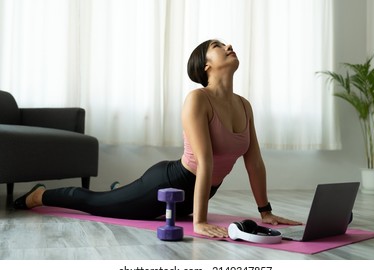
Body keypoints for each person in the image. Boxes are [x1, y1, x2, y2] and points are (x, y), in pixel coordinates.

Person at [13, 39, 301, 238]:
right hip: (167, 184)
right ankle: (40, 195)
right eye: (217, 46)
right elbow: (205, 162)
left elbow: (255, 164)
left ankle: (122, 190)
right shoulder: (197, 100)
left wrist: (266, 212)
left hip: (197, 192)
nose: (229, 46)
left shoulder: (244, 105)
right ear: (205, 66)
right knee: (96, 203)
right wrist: (199, 222)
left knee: (120, 199)